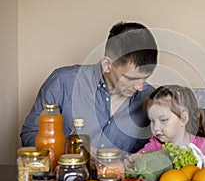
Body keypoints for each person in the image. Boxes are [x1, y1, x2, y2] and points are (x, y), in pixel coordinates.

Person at [20, 21, 158, 154]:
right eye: (131, 78)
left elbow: (166, 144)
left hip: (124, 178)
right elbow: (30, 134)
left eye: (145, 78)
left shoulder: (151, 97)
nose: (140, 87)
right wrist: (73, 149)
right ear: (107, 65)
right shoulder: (63, 82)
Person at [125, 85, 205, 168]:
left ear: (183, 119)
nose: (156, 128)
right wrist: (132, 161)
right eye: (152, 121)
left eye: (163, 120)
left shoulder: (204, 145)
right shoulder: (155, 145)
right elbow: (139, 159)